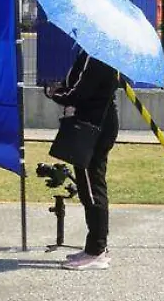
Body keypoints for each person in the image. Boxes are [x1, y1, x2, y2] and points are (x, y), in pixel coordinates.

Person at [45, 47, 122, 271]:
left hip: (94, 127)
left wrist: (54, 93)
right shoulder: (94, 54)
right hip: (94, 124)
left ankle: (97, 250)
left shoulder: (97, 56)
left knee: (91, 187)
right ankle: (94, 247)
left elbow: (78, 93)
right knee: (89, 184)